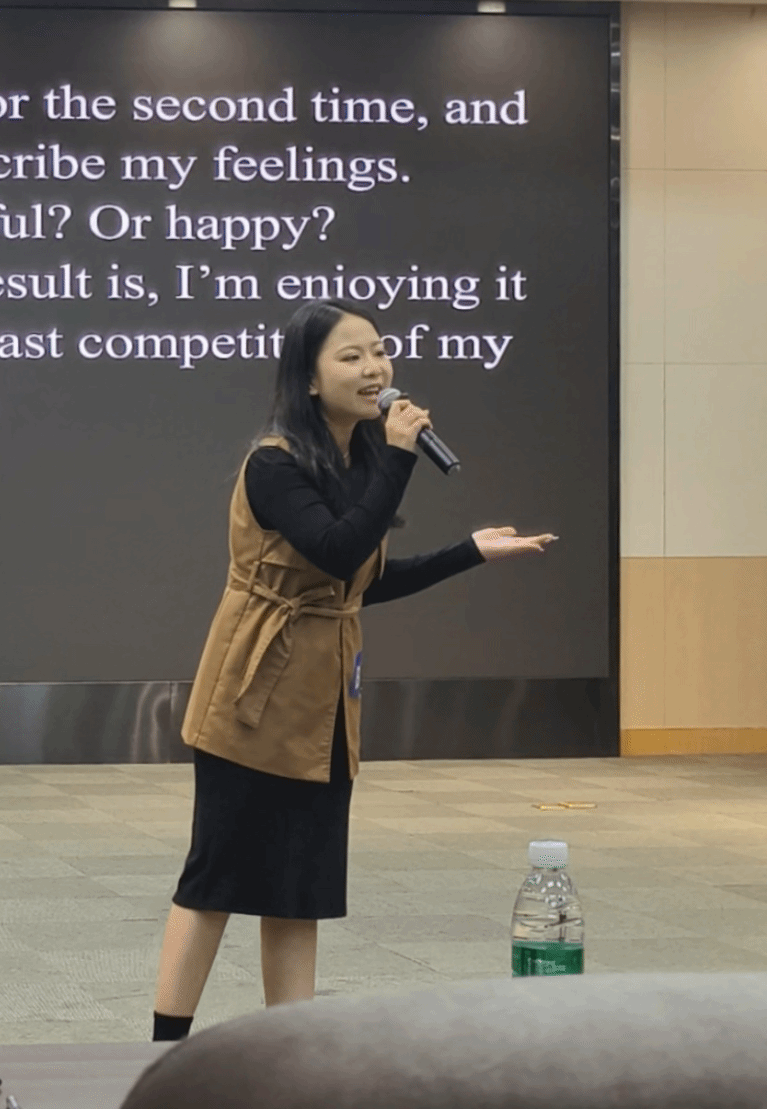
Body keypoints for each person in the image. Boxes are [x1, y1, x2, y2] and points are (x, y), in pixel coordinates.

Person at [149, 299, 555, 1042]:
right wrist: (398, 457)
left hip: (325, 704)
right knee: (214, 880)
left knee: (299, 889)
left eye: (379, 351)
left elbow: (359, 580)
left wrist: (469, 550)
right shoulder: (274, 463)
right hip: (251, 695)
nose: (375, 369)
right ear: (308, 378)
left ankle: (293, 1048)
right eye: (351, 356)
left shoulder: (358, 460)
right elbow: (336, 551)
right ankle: (162, 1047)